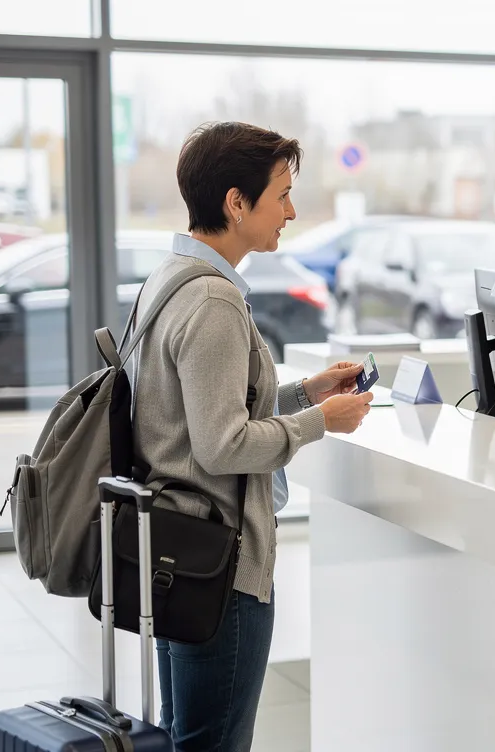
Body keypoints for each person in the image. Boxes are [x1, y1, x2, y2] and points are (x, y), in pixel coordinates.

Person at [128, 121, 375, 750]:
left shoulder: (171, 278)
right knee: (213, 742)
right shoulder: (213, 302)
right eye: (282, 195)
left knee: (186, 735)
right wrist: (322, 421)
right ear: (236, 202)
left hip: (177, 550)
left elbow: (202, 414)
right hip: (220, 566)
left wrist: (306, 392)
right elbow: (222, 445)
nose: (291, 212)